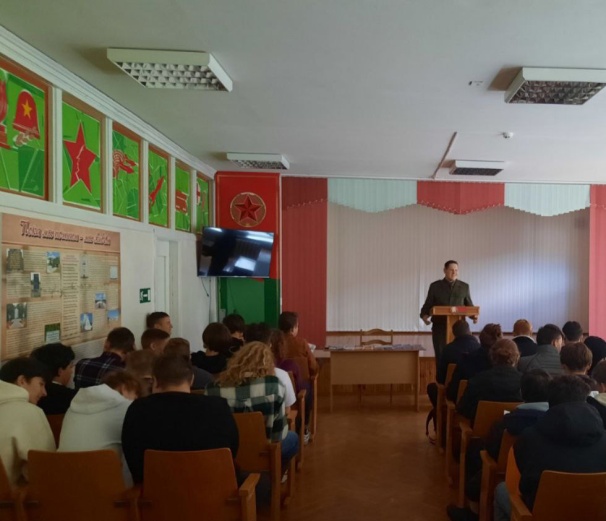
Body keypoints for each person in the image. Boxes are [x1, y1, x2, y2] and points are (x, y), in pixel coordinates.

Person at [494, 375, 606, 521]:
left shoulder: (529, 438)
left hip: (540, 514)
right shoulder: (603, 437)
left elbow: (525, 481)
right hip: (593, 513)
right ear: (585, 399)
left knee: (502, 490)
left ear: (549, 402)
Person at [447, 369, 550, 521]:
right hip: (546, 491)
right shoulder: (556, 424)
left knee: (477, 456)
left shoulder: (507, 423)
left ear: (521, 392)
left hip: (516, 483)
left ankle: (474, 512)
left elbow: (491, 450)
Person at [122, 354, 238, 484]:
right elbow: (232, 450)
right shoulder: (217, 407)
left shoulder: (137, 409)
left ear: (155, 380)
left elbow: (132, 457)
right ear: (192, 379)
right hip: (215, 488)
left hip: (157, 491)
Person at [205, 342, 298, 471]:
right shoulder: (273, 386)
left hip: (227, 453)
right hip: (263, 452)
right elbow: (278, 435)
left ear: (238, 360)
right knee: (293, 439)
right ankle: (276, 473)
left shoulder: (212, 389)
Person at [59, 371, 141, 485]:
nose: (136, 400)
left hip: (63, 483)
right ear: (124, 387)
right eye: (135, 395)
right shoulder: (127, 408)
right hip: (105, 488)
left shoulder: (72, 408)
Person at [0, 357, 55, 486]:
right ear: (22, 381)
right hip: (8, 497)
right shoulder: (30, 412)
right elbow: (43, 469)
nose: (44, 393)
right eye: (41, 384)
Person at [420, 260, 476, 370]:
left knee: (460, 356)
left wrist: (474, 316)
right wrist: (424, 316)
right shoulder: (435, 286)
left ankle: (457, 379)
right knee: (441, 356)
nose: (454, 272)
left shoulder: (464, 286)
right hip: (440, 328)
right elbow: (428, 305)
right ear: (445, 270)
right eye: (451, 270)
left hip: (459, 329)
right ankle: (441, 379)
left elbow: (469, 307)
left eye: (456, 270)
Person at [456, 339, 523, 422]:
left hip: (481, 428)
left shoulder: (478, 379)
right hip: (515, 428)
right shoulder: (525, 381)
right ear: (517, 357)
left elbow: (463, 408)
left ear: (491, 356)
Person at [447, 323, 502, 402]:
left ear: (481, 338)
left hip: (472, 407)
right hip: (505, 409)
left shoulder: (467, 360)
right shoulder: (508, 366)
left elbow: (452, 392)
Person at [30, 342, 77, 415]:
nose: (71, 371)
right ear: (60, 371)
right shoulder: (71, 397)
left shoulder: (31, 394)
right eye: (70, 367)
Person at [278, 311, 318, 378]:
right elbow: (313, 367)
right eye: (297, 326)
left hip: (279, 382)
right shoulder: (302, 343)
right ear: (292, 329)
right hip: (301, 382)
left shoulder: (274, 344)